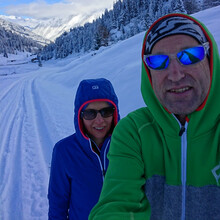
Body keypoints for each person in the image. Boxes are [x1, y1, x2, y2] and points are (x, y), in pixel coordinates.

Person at [89, 13, 220, 220]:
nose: (175, 74)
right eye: (159, 61)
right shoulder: (134, 132)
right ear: (148, 72)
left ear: (210, 59)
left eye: (190, 55)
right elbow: (116, 206)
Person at [48, 78, 120, 220]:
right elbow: (58, 205)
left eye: (106, 112)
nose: (99, 120)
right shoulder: (64, 151)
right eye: (90, 113)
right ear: (80, 116)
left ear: (115, 112)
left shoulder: (128, 146)